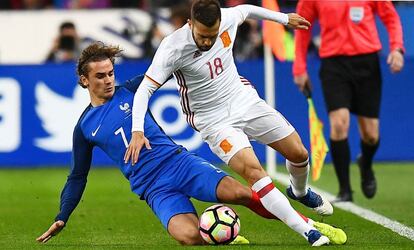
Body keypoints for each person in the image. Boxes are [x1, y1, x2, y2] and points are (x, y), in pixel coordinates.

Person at [36, 42, 346, 246]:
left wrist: (197, 48)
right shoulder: (84, 127)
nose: (107, 80)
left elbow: (170, 68)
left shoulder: (132, 90)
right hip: (152, 188)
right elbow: (77, 176)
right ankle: (222, 231)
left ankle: (305, 222)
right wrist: (62, 215)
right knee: (187, 236)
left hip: (179, 164)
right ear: (84, 80)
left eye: (110, 73)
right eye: (100, 76)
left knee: (241, 192)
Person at [125, 0, 334, 243]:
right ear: (190, 23)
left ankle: (300, 191)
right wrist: (137, 130)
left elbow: (247, 9)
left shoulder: (227, 18)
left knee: (298, 153)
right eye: (202, 36)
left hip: (242, 99)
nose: (207, 42)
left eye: (212, 36)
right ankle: (307, 231)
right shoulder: (172, 47)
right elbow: (144, 90)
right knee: (256, 173)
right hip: (212, 120)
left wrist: (284, 19)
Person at [293, 0, 405, 202]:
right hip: (334, 65)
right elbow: (302, 27)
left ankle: (366, 163)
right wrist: (299, 68)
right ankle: (345, 190)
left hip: (367, 63)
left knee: (371, 135)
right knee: (339, 124)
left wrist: (397, 48)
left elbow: (391, 17)